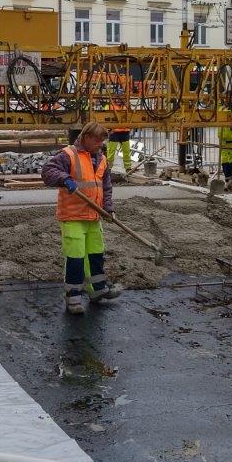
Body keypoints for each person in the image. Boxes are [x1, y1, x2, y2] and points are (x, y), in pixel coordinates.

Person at [40, 121, 121, 314]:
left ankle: (97, 290)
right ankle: (73, 298)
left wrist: (108, 208)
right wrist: (64, 178)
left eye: (102, 141)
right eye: (97, 140)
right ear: (86, 137)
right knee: (75, 257)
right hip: (73, 215)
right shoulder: (68, 154)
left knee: (95, 254)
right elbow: (47, 172)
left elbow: (106, 187)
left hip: (94, 216)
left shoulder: (101, 159)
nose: (100, 144)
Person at [106, 98, 133, 173]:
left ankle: (128, 167)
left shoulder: (126, 105)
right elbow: (106, 117)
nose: (119, 99)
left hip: (125, 131)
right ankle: (108, 168)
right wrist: (109, 130)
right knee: (111, 151)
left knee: (126, 151)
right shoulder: (111, 106)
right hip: (115, 132)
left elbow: (131, 116)